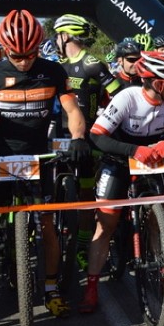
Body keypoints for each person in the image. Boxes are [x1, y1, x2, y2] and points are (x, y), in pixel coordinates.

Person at [0, 9, 89, 318]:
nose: (25, 60)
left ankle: (52, 288)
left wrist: (79, 137)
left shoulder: (53, 71)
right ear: (5, 48)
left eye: (30, 54)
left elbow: (72, 110)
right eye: (17, 55)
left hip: (37, 157)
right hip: (1, 155)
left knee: (47, 225)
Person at [80, 52, 164, 313]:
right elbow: (96, 136)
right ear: (159, 84)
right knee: (106, 224)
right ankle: (91, 286)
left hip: (153, 161)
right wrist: (133, 151)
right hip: (120, 158)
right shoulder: (128, 98)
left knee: (158, 221)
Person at [53, 14, 120, 268]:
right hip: (59, 136)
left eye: (57, 35)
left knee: (85, 192)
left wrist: (107, 124)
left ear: (65, 35)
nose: (55, 40)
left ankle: (82, 243)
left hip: (88, 138)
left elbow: (119, 97)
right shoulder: (56, 65)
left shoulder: (93, 63)